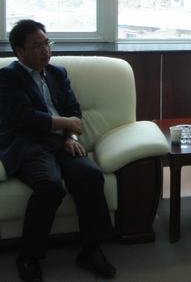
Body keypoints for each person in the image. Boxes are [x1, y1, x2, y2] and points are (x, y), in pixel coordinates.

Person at [0, 20, 116, 281]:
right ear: (19, 52)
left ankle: (91, 249)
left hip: (61, 142)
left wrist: (71, 136)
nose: (45, 50)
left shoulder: (57, 73)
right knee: (50, 186)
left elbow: (74, 110)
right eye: (37, 46)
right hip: (27, 144)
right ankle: (28, 256)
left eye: (47, 43)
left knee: (90, 175)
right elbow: (23, 117)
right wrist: (65, 124)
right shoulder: (8, 77)